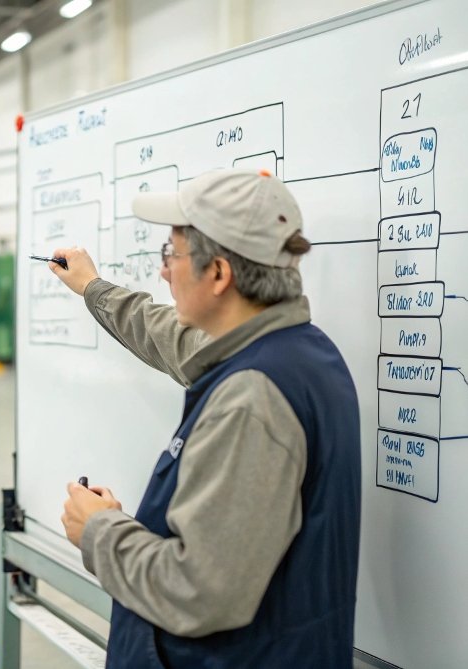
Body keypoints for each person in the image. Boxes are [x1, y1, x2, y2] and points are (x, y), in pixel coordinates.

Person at [50, 169, 360, 667]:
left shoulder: (252, 401)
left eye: (171, 255)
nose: (163, 272)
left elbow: (198, 591)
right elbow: (169, 336)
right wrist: (92, 287)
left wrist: (99, 531)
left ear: (218, 273)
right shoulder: (294, 351)